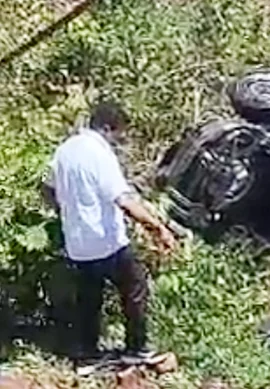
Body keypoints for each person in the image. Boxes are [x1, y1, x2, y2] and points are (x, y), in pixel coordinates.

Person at [41, 100, 178, 364]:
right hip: (108, 242)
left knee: (89, 300)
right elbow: (124, 200)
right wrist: (158, 229)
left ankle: (87, 355)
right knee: (135, 288)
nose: (119, 139)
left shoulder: (65, 150)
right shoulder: (99, 154)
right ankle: (136, 349)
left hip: (78, 244)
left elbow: (47, 189)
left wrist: (66, 212)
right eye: (119, 133)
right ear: (107, 127)